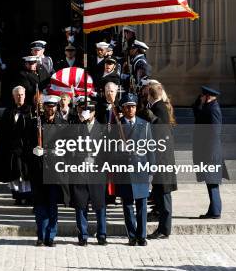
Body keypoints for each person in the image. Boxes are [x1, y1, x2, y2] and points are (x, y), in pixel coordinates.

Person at [63, 104, 108, 246]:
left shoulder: (102, 128)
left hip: (96, 170)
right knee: (80, 204)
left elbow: (107, 150)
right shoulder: (76, 126)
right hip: (80, 170)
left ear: (95, 112)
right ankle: (83, 234)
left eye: (90, 110)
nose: (87, 113)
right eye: (84, 110)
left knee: (100, 204)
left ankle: (102, 234)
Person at [115, 93, 155, 246]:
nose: (130, 110)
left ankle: (142, 235)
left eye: (132, 106)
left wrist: (151, 168)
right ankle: (131, 235)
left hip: (140, 168)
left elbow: (151, 148)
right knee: (127, 205)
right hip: (124, 170)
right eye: (127, 107)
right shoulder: (117, 126)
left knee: (142, 204)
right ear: (123, 109)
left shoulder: (144, 125)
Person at [29, 95, 66, 247]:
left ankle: (50, 236)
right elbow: (26, 145)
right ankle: (40, 235)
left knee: (52, 205)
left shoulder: (62, 125)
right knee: (40, 206)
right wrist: (33, 150)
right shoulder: (35, 124)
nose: (50, 109)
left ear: (57, 107)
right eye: (47, 106)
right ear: (43, 107)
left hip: (54, 170)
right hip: (38, 170)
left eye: (53, 106)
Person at [0, 86, 32, 205]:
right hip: (12, 148)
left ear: (25, 95)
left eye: (21, 94)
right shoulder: (8, 111)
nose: (20, 97)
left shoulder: (30, 110)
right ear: (13, 96)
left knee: (26, 172)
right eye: (17, 95)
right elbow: (3, 132)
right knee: (15, 172)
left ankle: (28, 196)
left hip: (26, 148)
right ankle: (18, 196)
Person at [147, 83, 178, 240]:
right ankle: (162, 228)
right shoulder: (160, 106)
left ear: (150, 95)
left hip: (163, 161)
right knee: (160, 194)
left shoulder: (158, 108)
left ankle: (164, 230)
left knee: (164, 197)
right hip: (162, 159)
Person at [193, 86, 228, 219]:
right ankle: (213, 209)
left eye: (202, 96)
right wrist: (197, 104)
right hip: (207, 151)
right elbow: (199, 116)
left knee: (212, 181)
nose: (200, 97)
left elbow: (215, 132)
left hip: (211, 153)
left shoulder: (213, 109)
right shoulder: (208, 107)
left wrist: (210, 153)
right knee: (210, 181)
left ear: (207, 96)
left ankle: (215, 211)